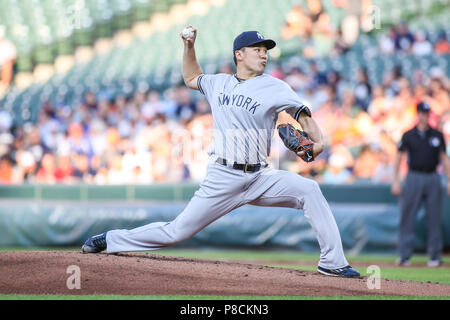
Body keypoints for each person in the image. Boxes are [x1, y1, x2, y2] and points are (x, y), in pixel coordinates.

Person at [81, 27, 360, 277]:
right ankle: (112, 239)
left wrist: (319, 141)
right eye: (258, 50)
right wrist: (189, 47)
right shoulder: (219, 83)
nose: (264, 56)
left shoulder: (276, 86)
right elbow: (192, 76)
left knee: (309, 190)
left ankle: (332, 262)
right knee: (177, 231)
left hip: (261, 177)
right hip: (223, 176)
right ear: (239, 54)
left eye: (266, 51)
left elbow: (304, 117)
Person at [391, 102, 450, 267]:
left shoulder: (437, 135)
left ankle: (435, 256)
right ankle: (404, 255)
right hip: (414, 176)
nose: (424, 115)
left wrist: (449, 179)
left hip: (433, 176)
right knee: (407, 215)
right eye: (422, 113)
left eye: (426, 113)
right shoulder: (408, 135)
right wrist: (395, 180)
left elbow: (444, 158)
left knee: (434, 217)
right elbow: (398, 157)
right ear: (418, 114)